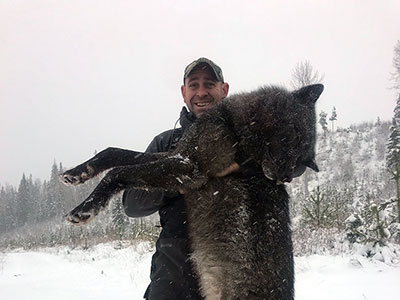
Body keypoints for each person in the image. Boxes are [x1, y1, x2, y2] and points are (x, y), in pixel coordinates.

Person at [122, 57, 229, 300]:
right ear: (183, 92)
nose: (201, 92)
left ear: (224, 90)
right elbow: (132, 203)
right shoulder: (165, 144)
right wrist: (176, 183)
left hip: (232, 280)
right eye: (194, 85)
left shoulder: (243, 139)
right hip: (172, 283)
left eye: (209, 84)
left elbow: (292, 158)